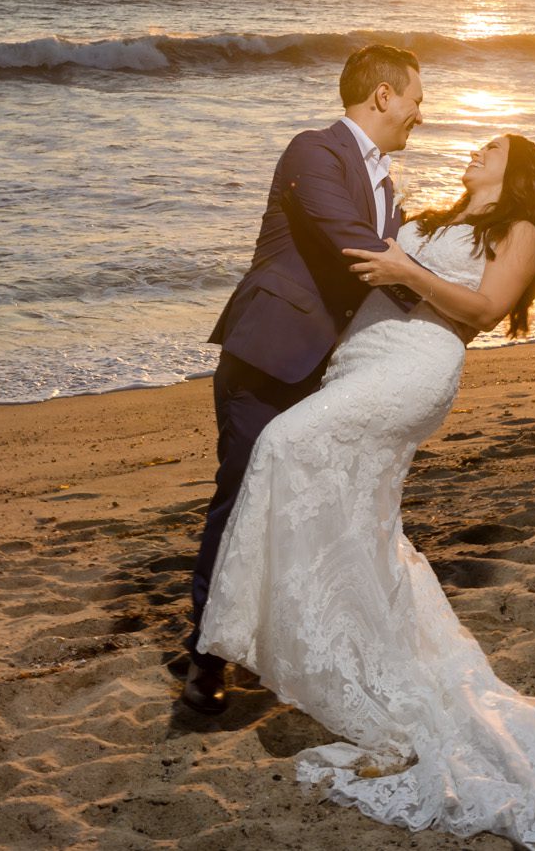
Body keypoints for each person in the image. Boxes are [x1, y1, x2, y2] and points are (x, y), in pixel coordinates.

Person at [197, 133, 535, 849]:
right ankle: (327, 640)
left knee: (286, 444)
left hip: (414, 364)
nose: (476, 152)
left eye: (491, 148)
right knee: (356, 516)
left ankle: (272, 632)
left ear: (518, 171)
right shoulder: (430, 215)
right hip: (360, 358)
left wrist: (404, 271)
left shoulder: (519, 229)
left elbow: (483, 311)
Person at [179, 44, 426, 715]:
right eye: (416, 99)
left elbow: (385, 255)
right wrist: (434, 293)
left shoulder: (386, 185)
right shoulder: (314, 150)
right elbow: (349, 241)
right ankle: (206, 654)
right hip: (271, 356)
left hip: (331, 370)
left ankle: (280, 639)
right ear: (383, 95)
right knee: (241, 497)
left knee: (304, 504)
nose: (420, 114)